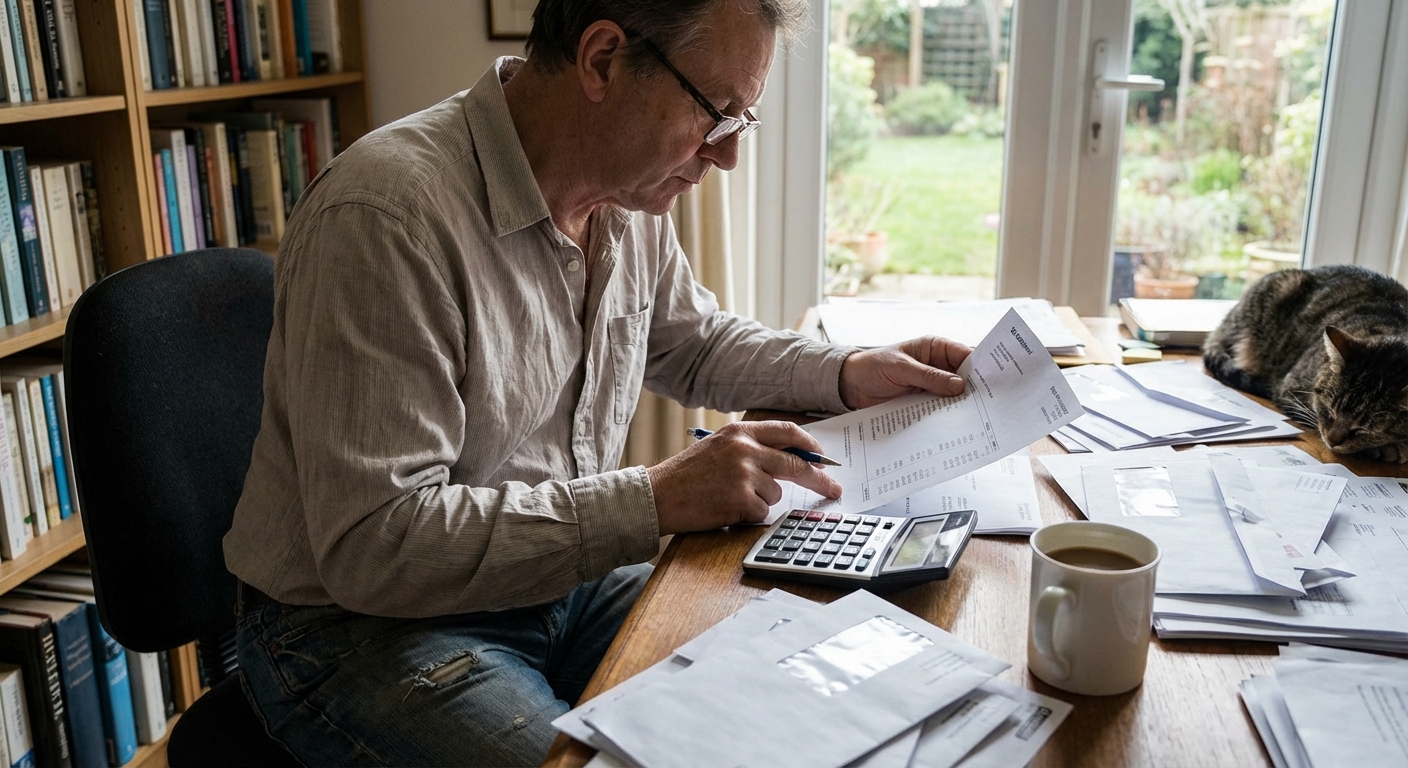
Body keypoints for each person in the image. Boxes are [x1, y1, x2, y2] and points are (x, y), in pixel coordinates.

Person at [222, 0, 971, 764]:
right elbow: (377, 547)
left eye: (741, 121)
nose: (726, 155)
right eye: (717, 113)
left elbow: (694, 343)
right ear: (603, 60)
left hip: (556, 584)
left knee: (813, 701)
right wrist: (654, 498)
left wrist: (848, 371)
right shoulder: (386, 217)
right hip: (359, 631)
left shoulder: (626, 192)